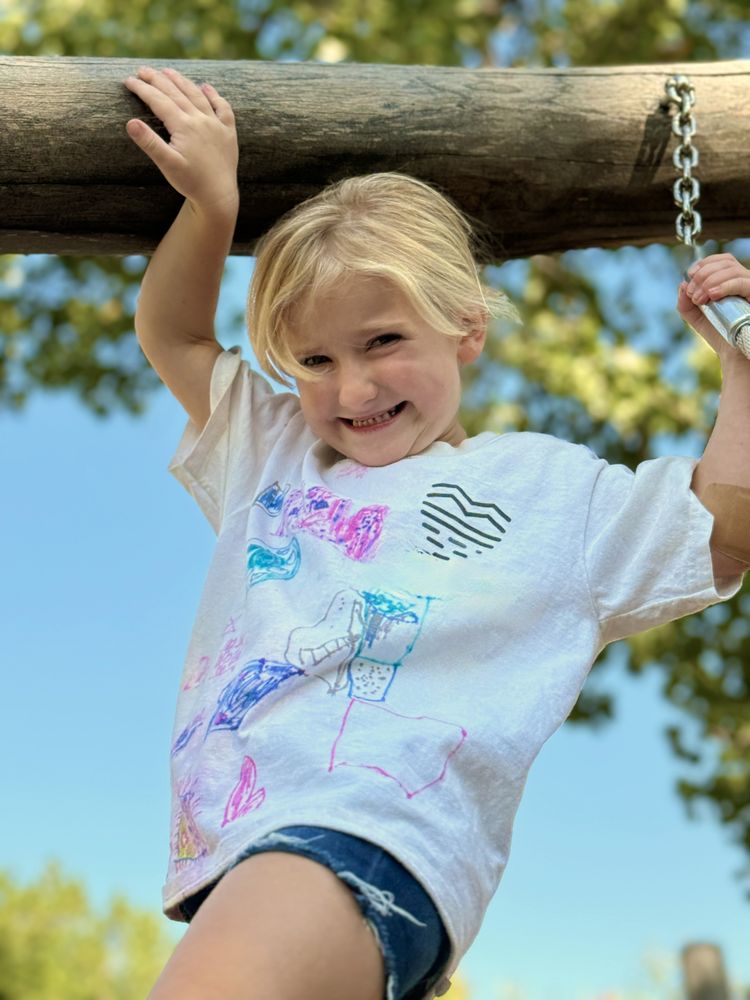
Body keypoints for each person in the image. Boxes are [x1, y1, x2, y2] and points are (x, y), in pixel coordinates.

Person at [122, 66, 749, 1000]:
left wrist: (742, 371)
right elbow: (174, 337)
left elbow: (725, 527)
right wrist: (212, 205)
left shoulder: (542, 492)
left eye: (382, 342)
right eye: (314, 360)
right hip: (241, 852)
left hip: (368, 837)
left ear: (465, 326)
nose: (352, 390)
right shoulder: (276, 450)